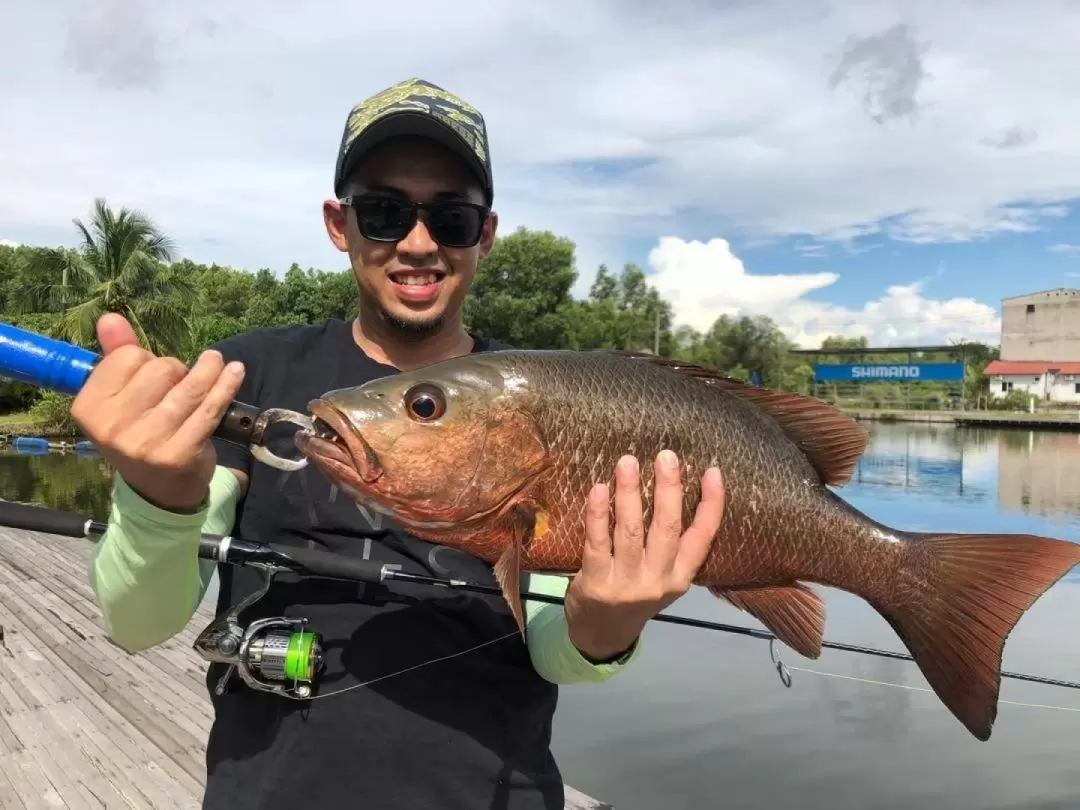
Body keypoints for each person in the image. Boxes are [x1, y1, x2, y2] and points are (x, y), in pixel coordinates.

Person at [77, 77, 726, 810]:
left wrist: (610, 619)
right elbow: (138, 623)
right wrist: (159, 496)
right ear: (338, 222)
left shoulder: (546, 400)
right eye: (384, 212)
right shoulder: (249, 375)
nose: (417, 244)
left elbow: (554, 648)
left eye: (451, 217)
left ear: (485, 233)